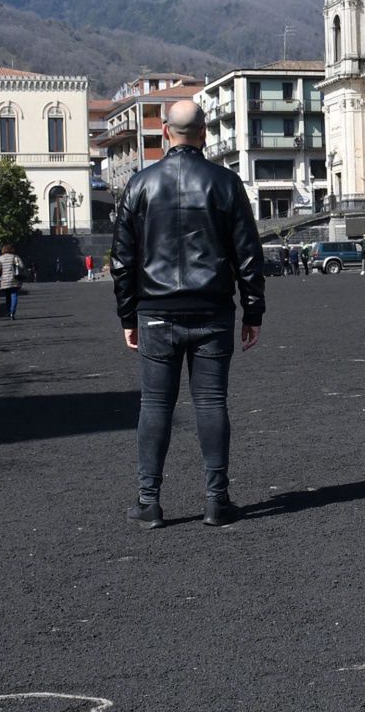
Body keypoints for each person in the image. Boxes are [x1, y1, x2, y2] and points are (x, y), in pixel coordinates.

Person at [112, 100, 265, 529]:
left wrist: (128, 317)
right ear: (204, 133)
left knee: (155, 404)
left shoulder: (140, 184)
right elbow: (248, 255)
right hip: (212, 309)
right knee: (212, 403)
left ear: (165, 133)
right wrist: (253, 310)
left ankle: (149, 501)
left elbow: (122, 260)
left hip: (155, 311)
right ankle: (217, 500)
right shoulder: (225, 183)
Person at [0, 242, 26, 318]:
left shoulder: (0, 258)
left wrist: (1, 274)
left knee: (7, 296)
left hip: (4, 280)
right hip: (14, 278)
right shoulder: (15, 257)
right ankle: (13, 311)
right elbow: (21, 266)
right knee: (14, 294)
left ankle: (8, 310)